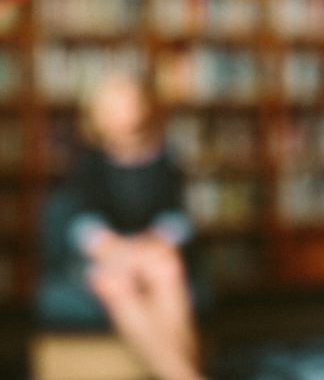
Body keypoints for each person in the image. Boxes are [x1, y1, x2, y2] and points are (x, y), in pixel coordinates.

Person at [36, 72, 210, 380]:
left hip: (152, 250)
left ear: (142, 107)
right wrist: (116, 248)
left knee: (167, 269)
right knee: (117, 284)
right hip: (106, 253)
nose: (122, 113)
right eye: (113, 107)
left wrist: (152, 243)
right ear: (97, 116)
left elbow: (177, 217)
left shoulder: (165, 157)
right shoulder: (87, 160)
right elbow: (82, 221)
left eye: (128, 103)